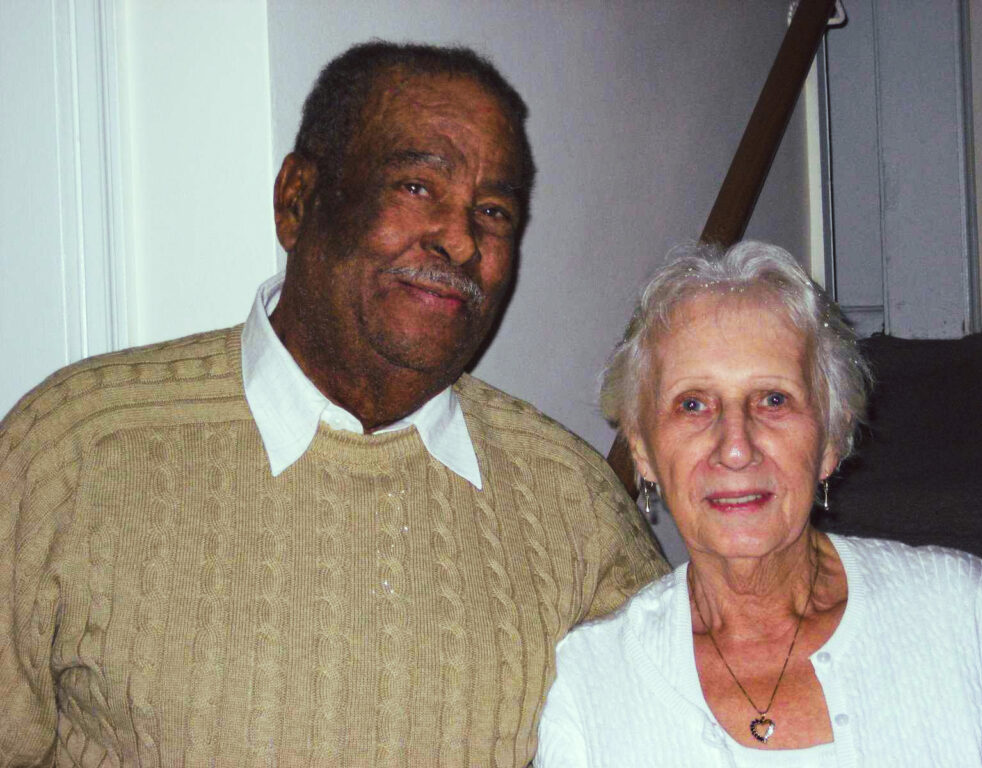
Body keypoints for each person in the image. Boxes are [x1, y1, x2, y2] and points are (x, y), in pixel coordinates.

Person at [0, 42, 667, 765]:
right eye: (416, 186)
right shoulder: (73, 450)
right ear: (297, 200)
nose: (461, 239)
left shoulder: (573, 504)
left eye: (495, 211)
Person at [536, 241, 982, 766]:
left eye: (773, 399)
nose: (736, 446)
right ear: (643, 452)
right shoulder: (593, 681)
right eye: (693, 404)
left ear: (831, 440)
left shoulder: (961, 614)